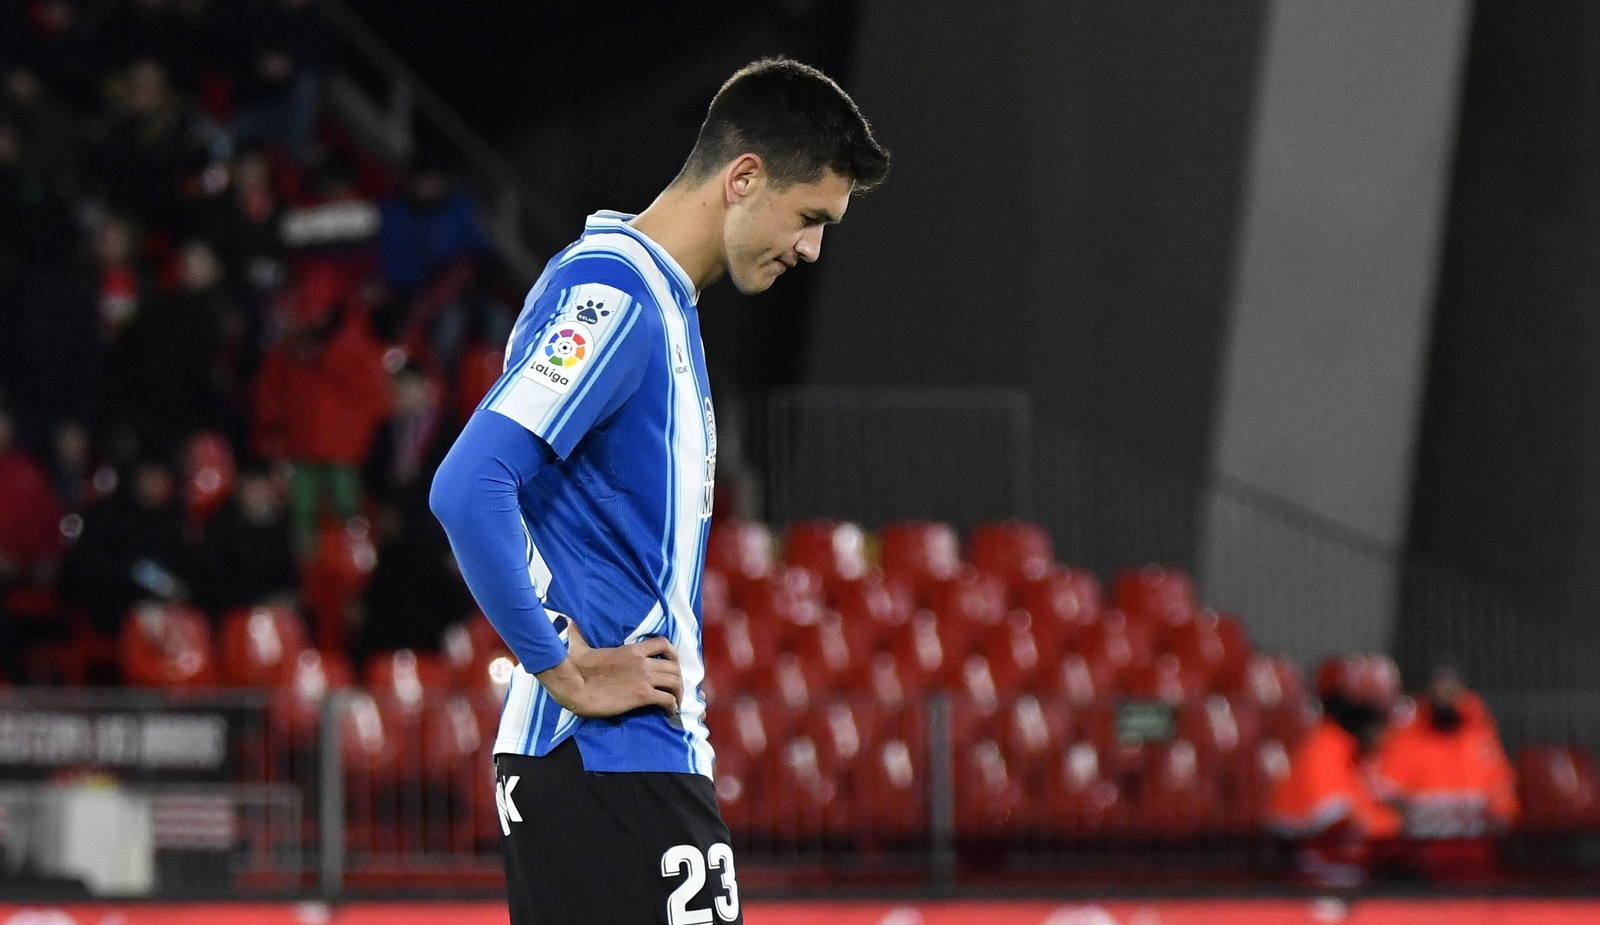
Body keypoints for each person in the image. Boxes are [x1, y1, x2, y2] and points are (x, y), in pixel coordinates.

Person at [429, 57, 888, 925]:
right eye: (810, 217)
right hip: (614, 761)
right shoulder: (616, 297)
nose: (812, 248)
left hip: (609, 765)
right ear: (744, 177)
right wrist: (561, 666)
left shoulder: (650, 299)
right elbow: (469, 482)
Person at [1269, 654, 1403, 887]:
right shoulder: (1324, 747)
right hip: (1317, 883)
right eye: (1373, 710)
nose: (1382, 722)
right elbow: (1341, 821)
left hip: (1353, 877)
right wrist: (1393, 824)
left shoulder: (1357, 752)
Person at [1376, 666, 1518, 880]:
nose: (1445, 697)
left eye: (1451, 690)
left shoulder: (1480, 737)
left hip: (1477, 859)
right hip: (1422, 864)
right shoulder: (1406, 739)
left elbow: (1503, 798)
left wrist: (1498, 816)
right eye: (1439, 690)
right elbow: (1386, 800)